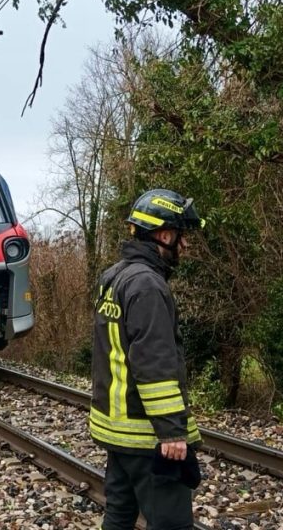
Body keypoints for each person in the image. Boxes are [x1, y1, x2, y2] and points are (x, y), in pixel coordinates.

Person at [90, 188, 205, 529]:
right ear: (165, 235)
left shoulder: (113, 278)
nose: (185, 246)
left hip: (115, 430)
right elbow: (153, 364)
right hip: (145, 435)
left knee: (120, 516)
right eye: (181, 237)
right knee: (171, 523)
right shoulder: (148, 285)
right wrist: (171, 433)